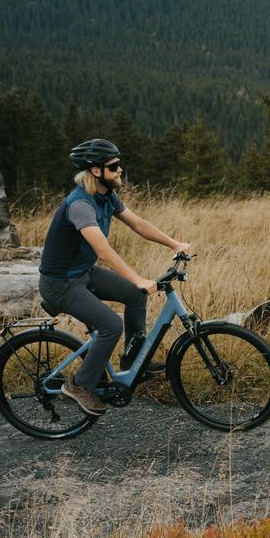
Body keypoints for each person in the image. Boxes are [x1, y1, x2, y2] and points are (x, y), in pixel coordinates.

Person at [38, 139, 190, 416]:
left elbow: (137, 223)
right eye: (114, 166)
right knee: (110, 325)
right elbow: (103, 251)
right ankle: (80, 385)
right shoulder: (80, 204)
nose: (120, 170)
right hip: (60, 284)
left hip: (82, 273)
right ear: (96, 171)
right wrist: (138, 278)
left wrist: (174, 243)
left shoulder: (106, 195)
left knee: (135, 295)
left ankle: (133, 358)